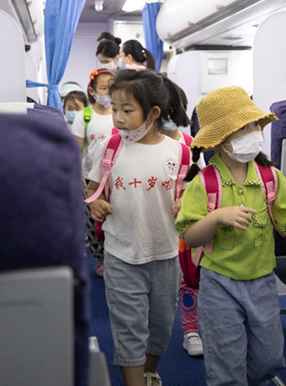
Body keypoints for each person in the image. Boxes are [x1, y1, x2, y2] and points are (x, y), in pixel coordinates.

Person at [175, 86, 286, 386]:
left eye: (255, 124)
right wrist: (216, 217)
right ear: (220, 139)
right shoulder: (204, 183)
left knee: (269, 360)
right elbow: (190, 237)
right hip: (219, 285)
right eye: (243, 128)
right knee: (227, 365)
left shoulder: (270, 177)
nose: (254, 132)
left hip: (263, 282)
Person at [87, 69, 184, 386]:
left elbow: (192, 195)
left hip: (166, 255)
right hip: (122, 255)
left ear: (153, 113)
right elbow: (92, 189)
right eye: (115, 108)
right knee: (129, 328)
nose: (117, 118)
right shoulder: (110, 148)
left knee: (161, 327)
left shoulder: (179, 151)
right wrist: (95, 203)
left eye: (127, 111)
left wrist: (187, 204)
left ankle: (149, 371)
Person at [160, 75, 205, 357]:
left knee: (189, 281)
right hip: (153, 227)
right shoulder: (140, 146)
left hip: (184, 228)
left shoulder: (191, 145)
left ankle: (191, 330)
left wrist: (186, 200)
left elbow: (203, 182)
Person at [71, 69, 116, 277]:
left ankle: (115, 255)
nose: (108, 93)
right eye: (103, 88)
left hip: (116, 176)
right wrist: (78, 174)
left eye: (111, 88)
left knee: (114, 216)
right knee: (93, 220)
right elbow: (76, 149)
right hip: (92, 177)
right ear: (92, 91)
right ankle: (100, 258)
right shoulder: (85, 117)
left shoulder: (119, 113)